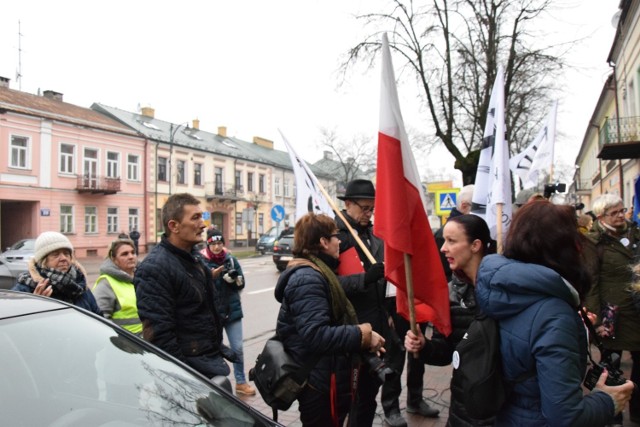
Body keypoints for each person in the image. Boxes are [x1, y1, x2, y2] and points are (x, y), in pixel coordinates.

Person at [474, 200, 634, 425]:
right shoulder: (553, 315)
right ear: (562, 246)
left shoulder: (505, 290)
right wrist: (608, 401)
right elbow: (565, 417)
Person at [335, 179, 438, 426]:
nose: (369, 214)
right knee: (354, 397)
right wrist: (364, 279)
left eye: (373, 209)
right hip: (353, 328)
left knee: (370, 393)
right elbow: (330, 286)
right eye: (365, 208)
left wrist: (389, 308)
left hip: (379, 321)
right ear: (348, 204)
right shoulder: (335, 237)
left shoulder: (372, 234)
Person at [274, 213, 385, 427]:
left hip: (325, 374)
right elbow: (316, 335)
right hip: (317, 380)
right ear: (323, 242)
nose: (340, 240)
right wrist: (363, 335)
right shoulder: (308, 278)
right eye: (335, 236)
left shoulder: (319, 272)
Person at [405, 214, 495, 426]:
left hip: (500, 408)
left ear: (475, 245)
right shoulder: (450, 292)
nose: (443, 248)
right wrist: (424, 345)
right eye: (444, 240)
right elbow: (445, 352)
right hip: (462, 407)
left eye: (451, 241)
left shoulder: (504, 290)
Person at [135, 193, 236, 380]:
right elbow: (160, 337)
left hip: (207, 361)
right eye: (195, 218)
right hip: (190, 374)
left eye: (202, 217)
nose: (203, 224)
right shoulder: (154, 268)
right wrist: (187, 380)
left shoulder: (193, 257)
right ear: (174, 226)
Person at [583, 193, 640, 425]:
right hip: (611, 314)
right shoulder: (593, 242)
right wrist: (595, 320)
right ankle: (612, 414)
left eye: (621, 210)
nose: (620, 216)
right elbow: (591, 282)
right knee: (611, 366)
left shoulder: (634, 232)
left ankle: (637, 411)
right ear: (600, 216)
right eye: (613, 213)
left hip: (636, 307)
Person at [200, 229, 255, 396]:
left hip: (232, 311)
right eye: (213, 244)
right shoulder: (202, 261)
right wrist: (211, 277)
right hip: (213, 314)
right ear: (208, 244)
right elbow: (197, 285)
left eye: (219, 243)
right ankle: (217, 382)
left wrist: (234, 280)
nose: (217, 247)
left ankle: (240, 382)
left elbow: (241, 283)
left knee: (237, 348)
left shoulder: (231, 259)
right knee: (214, 349)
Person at [12, 231, 101, 315]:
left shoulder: (80, 285)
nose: (63, 258)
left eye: (66, 253)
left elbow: (99, 318)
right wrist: (34, 306)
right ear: (43, 261)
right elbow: (11, 324)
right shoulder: (26, 288)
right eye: (55, 254)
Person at [93, 238, 142, 336]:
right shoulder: (106, 283)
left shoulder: (142, 277)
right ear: (114, 259)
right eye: (125, 254)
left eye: (133, 252)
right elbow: (100, 321)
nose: (131, 256)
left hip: (147, 344)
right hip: (124, 344)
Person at [434, 184, 474, 282]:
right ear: (464, 206)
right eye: (479, 207)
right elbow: (442, 273)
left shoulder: (473, 228)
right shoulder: (441, 236)